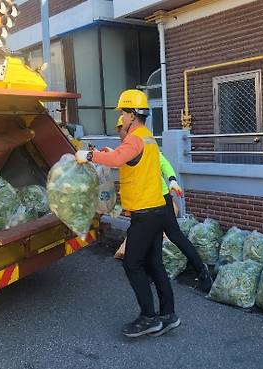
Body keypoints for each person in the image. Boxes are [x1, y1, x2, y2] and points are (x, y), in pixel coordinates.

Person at [75, 89, 179, 338]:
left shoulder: (134, 139)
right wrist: (111, 155)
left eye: (123, 111)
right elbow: (130, 161)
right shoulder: (148, 138)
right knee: (155, 264)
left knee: (132, 264)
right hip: (157, 210)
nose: (121, 116)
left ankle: (148, 318)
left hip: (144, 213)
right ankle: (168, 315)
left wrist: (88, 155)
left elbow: (118, 158)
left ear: (132, 114)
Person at [112, 117, 213, 293]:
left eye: (120, 129)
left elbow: (163, 162)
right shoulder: (129, 146)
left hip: (159, 199)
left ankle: (201, 271)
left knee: (173, 236)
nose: (119, 133)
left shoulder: (141, 143)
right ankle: (159, 273)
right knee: (156, 239)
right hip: (149, 203)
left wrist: (172, 180)